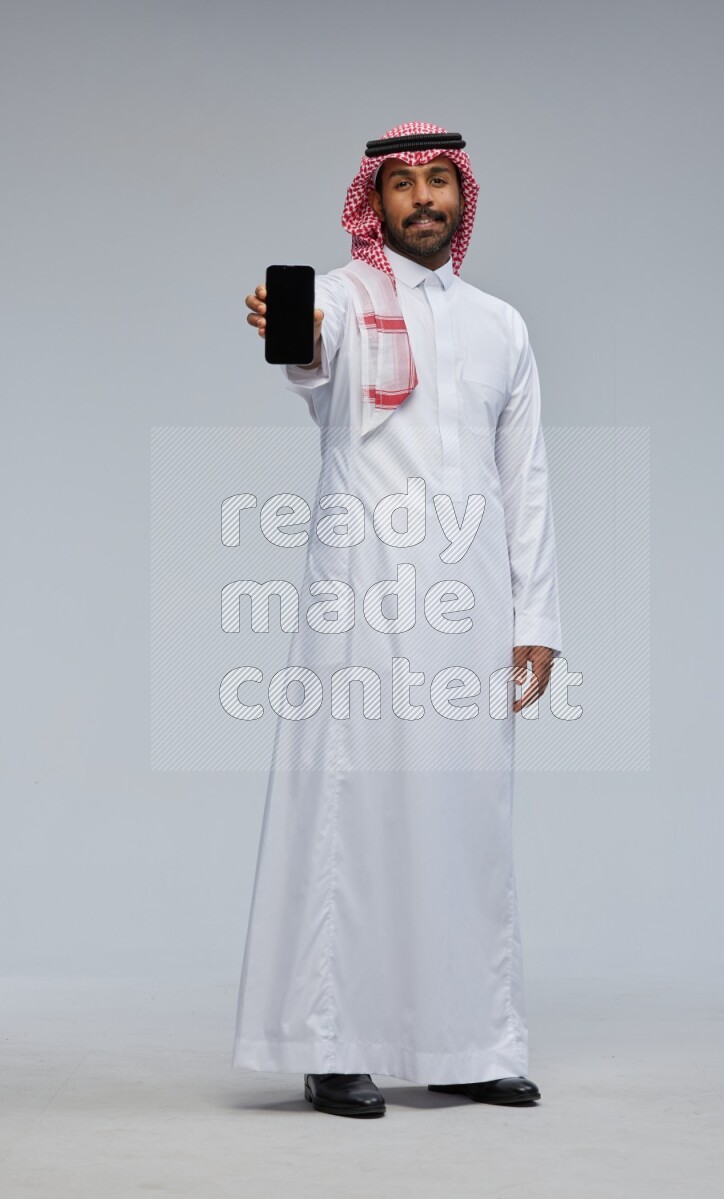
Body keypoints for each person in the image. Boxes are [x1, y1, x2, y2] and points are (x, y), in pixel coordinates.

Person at [235, 122, 563, 1119]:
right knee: (352, 811)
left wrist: (534, 618)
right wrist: (283, 327)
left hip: (470, 609)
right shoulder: (338, 300)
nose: (421, 199)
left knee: (465, 821)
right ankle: (331, 1044)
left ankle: (466, 1042)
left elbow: (528, 479)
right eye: (401, 186)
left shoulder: (500, 325)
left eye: (437, 182)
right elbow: (310, 358)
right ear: (371, 204)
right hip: (361, 597)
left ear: (461, 198)